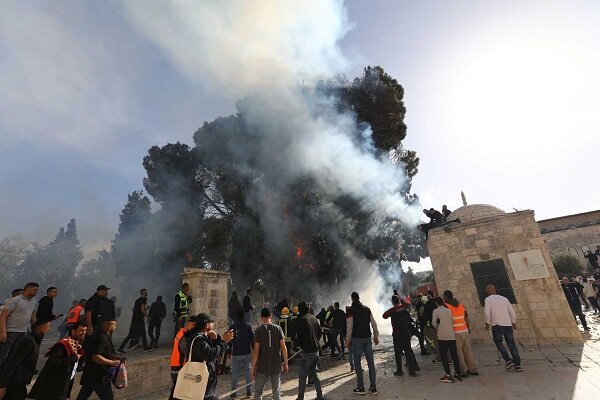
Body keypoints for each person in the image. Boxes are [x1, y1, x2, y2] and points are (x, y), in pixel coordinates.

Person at [28, 321, 87, 400]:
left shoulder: (77, 345)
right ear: (73, 332)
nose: (84, 333)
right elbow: (53, 362)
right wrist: (74, 358)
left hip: (63, 386)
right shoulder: (63, 344)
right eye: (81, 330)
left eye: (85, 330)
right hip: (54, 387)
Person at [0, 319, 51, 400]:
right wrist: (3, 384)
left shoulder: (34, 340)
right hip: (15, 382)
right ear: (40, 326)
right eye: (48, 325)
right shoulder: (29, 341)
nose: (50, 328)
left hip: (20, 381)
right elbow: (13, 362)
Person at [186, 313, 234, 400]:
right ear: (207, 324)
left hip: (206, 385)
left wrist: (216, 340)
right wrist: (223, 341)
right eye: (211, 322)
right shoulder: (198, 340)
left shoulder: (202, 337)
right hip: (201, 385)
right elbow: (210, 355)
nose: (213, 324)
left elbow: (213, 351)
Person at [76, 318, 122, 400]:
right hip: (99, 375)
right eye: (114, 325)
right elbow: (95, 357)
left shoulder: (103, 337)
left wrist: (116, 358)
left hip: (91, 375)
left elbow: (105, 353)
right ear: (109, 326)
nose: (115, 327)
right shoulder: (102, 338)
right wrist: (111, 362)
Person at [346, 292, 379, 395]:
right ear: (359, 298)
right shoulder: (367, 308)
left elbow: (349, 327)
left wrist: (348, 340)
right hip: (367, 339)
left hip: (356, 340)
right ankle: (373, 388)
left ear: (352, 299)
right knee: (371, 363)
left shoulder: (350, 310)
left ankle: (361, 388)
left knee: (357, 363)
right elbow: (374, 323)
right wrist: (376, 335)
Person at [252, 308, 288, 400]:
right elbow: (284, 348)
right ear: (270, 316)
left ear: (261, 318)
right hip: (276, 365)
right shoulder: (278, 328)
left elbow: (256, 352)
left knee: (258, 393)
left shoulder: (259, 331)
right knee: (276, 393)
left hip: (262, 366)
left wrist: (253, 368)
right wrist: (286, 363)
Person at [484, 284, 522, 372]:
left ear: (488, 291)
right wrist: (513, 321)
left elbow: (486, 312)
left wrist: (487, 323)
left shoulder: (488, 299)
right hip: (508, 324)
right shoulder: (504, 299)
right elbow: (511, 311)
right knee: (512, 344)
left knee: (498, 342)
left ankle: (508, 360)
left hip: (497, 325)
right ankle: (518, 364)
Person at [0, 282, 39, 368]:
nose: (36, 292)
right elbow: (3, 315)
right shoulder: (14, 300)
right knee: (3, 354)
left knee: (14, 355)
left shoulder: (33, 301)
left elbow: (33, 315)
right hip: (10, 332)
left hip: (23, 332)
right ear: (28, 289)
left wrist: (36, 327)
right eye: (34, 290)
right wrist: (2, 331)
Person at [293, 301, 326, 400]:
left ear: (300, 309)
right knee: (314, 375)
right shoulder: (313, 317)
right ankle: (320, 397)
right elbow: (320, 332)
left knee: (303, 376)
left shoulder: (301, 319)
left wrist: (300, 345)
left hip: (307, 353)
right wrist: (315, 341)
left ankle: (300, 398)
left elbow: (298, 336)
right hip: (315, 352)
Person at [443, 290, 478, 377]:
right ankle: (473, 369)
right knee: (468, 351)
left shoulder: (446, 306)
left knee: (458, 352)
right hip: (464, 330)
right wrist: (468, 328)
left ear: (445, 297)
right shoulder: (461, 305)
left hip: (456, 332)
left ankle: (463, 371)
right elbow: (466, 318)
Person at [383, 295, 418, 377]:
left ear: (392, 302)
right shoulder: (404, 307)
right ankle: (412, 371)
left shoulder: (392, 310)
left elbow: (384, 316)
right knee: (408, 351)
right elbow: (406, 303)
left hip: (397, 334)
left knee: (398, 353)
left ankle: (399, 370)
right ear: (399, 300)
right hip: (406, 333)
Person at [432, 297, 462, 383]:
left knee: (444, 356)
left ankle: (448, 375)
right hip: (451, 335)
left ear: (437, 303)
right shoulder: (449, 310)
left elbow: (433, 322)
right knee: (454, 355)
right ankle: (458, 373)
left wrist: (439, 328)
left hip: (442, 336)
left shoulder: (436, 311)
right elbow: (452, 321)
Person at [168, 316, 197, 400]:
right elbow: (186, 352)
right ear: (192, 324)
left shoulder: (182, 333)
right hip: (179, 367)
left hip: (176, 365)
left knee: (176, 392)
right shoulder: (184, 336)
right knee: (179, 393)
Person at [229, 308, 254, 399]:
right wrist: (255, 351)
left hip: (236, 353)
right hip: (246, 353)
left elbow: (229, 340)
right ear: (244, 315)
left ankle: (233, 393)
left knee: (235, 373)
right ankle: (249, 392)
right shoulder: (248, 326)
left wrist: (228, 351)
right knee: (248, 372)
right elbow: (252, 340)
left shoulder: (232, 326)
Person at [118, 289, 152, 353]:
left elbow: (133, 309)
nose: (147, 292)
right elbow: (142, 309)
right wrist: (147, 316)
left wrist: (142, 311)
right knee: (143, 333)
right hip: (139, 319)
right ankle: (145, 348)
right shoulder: (144, 299)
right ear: (144, 293)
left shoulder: (137, 300)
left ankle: (121, 348)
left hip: (134, 319)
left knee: (130, 334)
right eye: (146, 291)